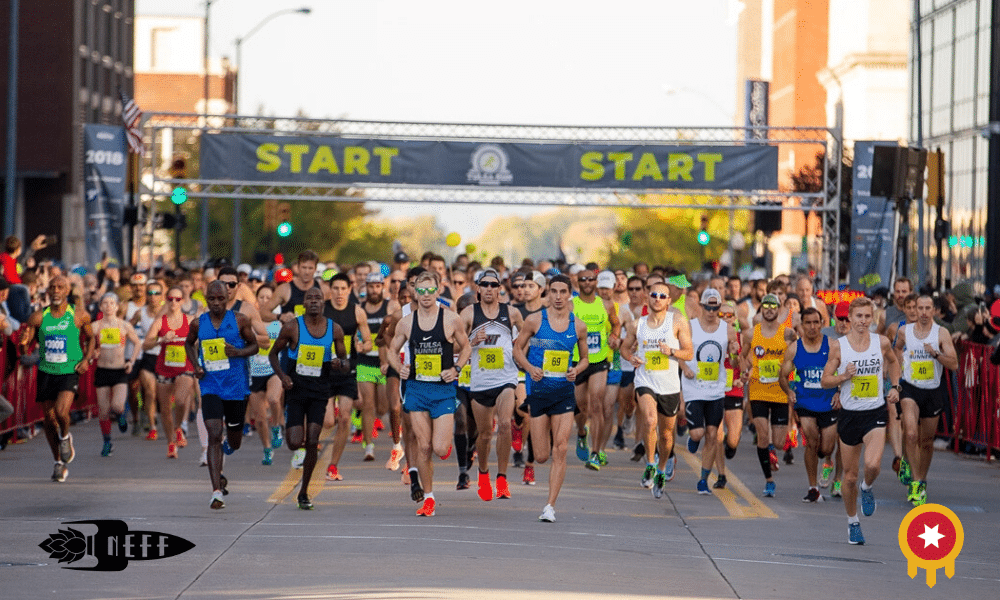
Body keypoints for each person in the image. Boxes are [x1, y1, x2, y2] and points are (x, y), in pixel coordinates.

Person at [387, 271, 471, 517]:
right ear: (415, 292)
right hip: (416, 390)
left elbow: (466, 347)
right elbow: (392, 349)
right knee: (423, 446)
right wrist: (399, 366)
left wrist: (456, 369)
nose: (425, 295)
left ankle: (441, 450)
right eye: (420, 290)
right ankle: (429, 498)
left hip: (443, 391)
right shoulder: (406, 322)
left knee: (439, 447)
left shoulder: (451, 319)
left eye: (429, 290)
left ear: (438, 291)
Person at [821, 296, 902, 545]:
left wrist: (896, 386)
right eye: (858, 316)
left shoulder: (882, 342)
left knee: (874, 465)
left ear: (873, 318)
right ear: (850, 318)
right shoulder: (838, 347)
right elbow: (825, 380)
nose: (863, 321)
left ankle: (867, 489)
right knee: (849, 476)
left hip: (874, 412)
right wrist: (843, 376)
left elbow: (894, 362)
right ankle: (852, 521)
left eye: (868, 316)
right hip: (849, 415)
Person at [512, 274, 589, 522]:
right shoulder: (535, 320)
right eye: (553, 291)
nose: (558, 297)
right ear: (548, 293)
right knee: (542, 455)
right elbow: (517, 348)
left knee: (561, 448)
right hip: (539, 392)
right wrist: (528, 368)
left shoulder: (578, 326)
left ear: (569, 294)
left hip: (564, 392)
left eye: (563, 292)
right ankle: (527, 439)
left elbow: (586, 358)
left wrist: (576, 369)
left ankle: (550, 506)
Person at [270, 286, 349, 509]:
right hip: (295, 391)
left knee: (313, 440)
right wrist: (283, 376)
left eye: (318, 298)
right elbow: (273, 354)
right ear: (303, 303)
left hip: (319, 392)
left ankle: (304, 492)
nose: (314, 301)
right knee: (296, 442)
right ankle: (300, 445)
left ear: (324, 303)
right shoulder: (292, 327)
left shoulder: (334, 330)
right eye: (309, 298)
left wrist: (339, 364)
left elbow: (346, 364)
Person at [184, 280, 259, 510]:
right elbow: (189, 344)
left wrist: (238, 352)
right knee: (214, 434)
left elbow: (254, 346)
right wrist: (196, 365)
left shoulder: (239, 320)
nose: (216, 303)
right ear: (206, 299)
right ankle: (216, 491)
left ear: (227, 299)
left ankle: (227, 450)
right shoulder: (198, 323)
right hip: (210, 386)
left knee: (233, 441)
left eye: (220, 299)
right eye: (212, 299)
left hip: (236, 388)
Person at [621, 279, 694, 499]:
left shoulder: (677, 321)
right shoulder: (637, 324)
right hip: (645, 380)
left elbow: (689, 353)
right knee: (650, 420)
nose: (658, 299)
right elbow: (625, 348)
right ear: (648, 297)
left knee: (666, 433)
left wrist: (671, 351)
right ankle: (651, 464)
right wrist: (631, 357)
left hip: (669, 384)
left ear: (669, 300)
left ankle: (662, 468)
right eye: (654, 295)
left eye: (663, 296)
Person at [21, 276, 95, 482]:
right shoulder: (38, 317)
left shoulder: (79, 315)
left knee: (62, 412)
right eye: (52, 287)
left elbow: (91, 338)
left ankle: (65, 437)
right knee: (49, 420)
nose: (55, 291)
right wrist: (23, 343)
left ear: (67, 291)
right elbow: (26, 345)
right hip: (46, 370)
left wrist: (86, 359)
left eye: (60, 287)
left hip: (69, 369)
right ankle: (58, 463)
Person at [460, 268, 523, 501]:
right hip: (480, 381)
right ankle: (484, 473)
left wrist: (522, 352)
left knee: (505, 424)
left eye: (493, 285)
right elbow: (455, 345)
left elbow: (526, 338)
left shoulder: (512, 313)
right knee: (485, 434)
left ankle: (502, 479)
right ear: (478, 288)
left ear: (499, 289)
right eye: (484, 284)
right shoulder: (468, 314)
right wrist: (471, 341)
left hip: (506, 378)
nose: (488, 289)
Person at [894, 294, 958, 506]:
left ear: (934, 311)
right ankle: (916, 482)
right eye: (919, 308)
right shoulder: (905, 331)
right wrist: (899, 366)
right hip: (910, 388)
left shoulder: (942, 333)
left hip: (932, 390)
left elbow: (954, 364)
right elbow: (896, 349)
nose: (922, 312)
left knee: (927, 441)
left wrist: (936, 354)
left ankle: (921, 478)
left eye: (927, 308)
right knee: (911, 434)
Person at [740, 293, 797, 497]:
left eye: (774, 306)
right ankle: (769, 481)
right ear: (761, 309)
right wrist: (746, 369)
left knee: (780, 443)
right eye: (766, 305)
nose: (770, 309)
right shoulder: (751, 334)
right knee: (763, 435)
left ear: (779, 309)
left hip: (780, 391)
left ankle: (774, 447)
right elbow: (742, 356)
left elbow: (798, 354)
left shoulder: (788, 334)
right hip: (758, 390)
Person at [680, 289, 736, 495]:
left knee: (713, 435)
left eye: (716, 307)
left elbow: (735, 359)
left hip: (716, 389)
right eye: (708, 306)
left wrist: (735, 350)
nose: (712, 311)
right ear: (701, 306)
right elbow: (680, 350)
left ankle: (703, 479)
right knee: (698, 433)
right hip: (694, 387)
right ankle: (693, 438)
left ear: (720, 307)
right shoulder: (691, 326)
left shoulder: (728, 329)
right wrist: (684, 367)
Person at [780, 307, 838, 502]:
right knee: (811, 442)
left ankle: (827, 459)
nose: (812, 327)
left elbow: (844, 371)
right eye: (808, 323)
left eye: (816, 322)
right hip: (805, 402)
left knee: (827, 448)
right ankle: (813, 487)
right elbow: (782, 375)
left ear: (822, 324)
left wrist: (839, 392)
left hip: (828, 402)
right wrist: (789, 392)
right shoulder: (795, 348)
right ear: (801, 325)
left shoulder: (832, 345)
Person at [323, 273, 372, 479]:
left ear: (349, 290)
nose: (340, 293)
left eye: (343, 289)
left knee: (344, 418)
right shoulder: (322, 309)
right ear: (330, 289)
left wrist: (363, 346)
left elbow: (369, 342)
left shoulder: (357, 312)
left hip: (347, 371)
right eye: (336, 288)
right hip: (324, 371)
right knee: (327, 422)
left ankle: (333, 466)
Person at [570, 268, 621, 470]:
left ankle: (596, 452)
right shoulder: (571, 305)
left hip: (599, 360)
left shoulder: (607, 304)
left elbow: (616, 324)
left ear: (596, 281)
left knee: (596, 405)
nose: (588, 282)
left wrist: (614, 336)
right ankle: (582, 432)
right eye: (584, 279)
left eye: (591, 279)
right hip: (577, 360)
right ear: (578, 282)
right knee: (581, 406)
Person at [143, 286, 197, 459]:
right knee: (165, 409)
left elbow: (202, 339)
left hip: (185, 366)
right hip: (165, 367)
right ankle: (170, 443)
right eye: (171, 299)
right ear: (166, 300)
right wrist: (161, 339)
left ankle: (179, 426)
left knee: (181, 401)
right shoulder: (160, 321)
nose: (174, 302)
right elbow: (146, 344)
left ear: (182, 301)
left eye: (178, 299)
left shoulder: (190, 320)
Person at [90, 293, 142, 456]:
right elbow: (86, 343)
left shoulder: (124, 325)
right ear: (100, 307)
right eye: (105, 303)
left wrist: (131, 361)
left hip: (119, 370)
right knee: (104, 411)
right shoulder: (95, 326)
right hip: (102, 370)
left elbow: (138, 343)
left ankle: (120, 415)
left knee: (117, 406)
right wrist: (92, 353)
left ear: (117, 306)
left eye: (112, 303)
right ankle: (107, 442)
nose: (108, 306)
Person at [356, 271, 400, 467]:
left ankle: (376, 427)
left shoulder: (391, 306)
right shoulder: (360, 308)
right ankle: (369, 446)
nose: (374, 290)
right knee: (368, 405)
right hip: (365, 361)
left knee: (383, 407)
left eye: (377, 286)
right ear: (366, 287)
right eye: (370, 286)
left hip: (384, 363)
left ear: (382, 286)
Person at [248, 284, 285, 465]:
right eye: (261, 297)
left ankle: (277, 426)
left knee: (273, 399)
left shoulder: (279, 324)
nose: (264, 300)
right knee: (260, 419)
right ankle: (267, 448)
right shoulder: (250, 321)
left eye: (267, 297)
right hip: (254, 372)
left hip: (273, 370)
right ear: (256, 300)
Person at [259, 250, 322, 322]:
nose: (307, 272)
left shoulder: (322, 289)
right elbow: (263, 313)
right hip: (291, 332)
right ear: (298, 267)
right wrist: (280, 316)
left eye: (310, 268)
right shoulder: (284, 289)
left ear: (315, 269)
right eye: (304, 268)